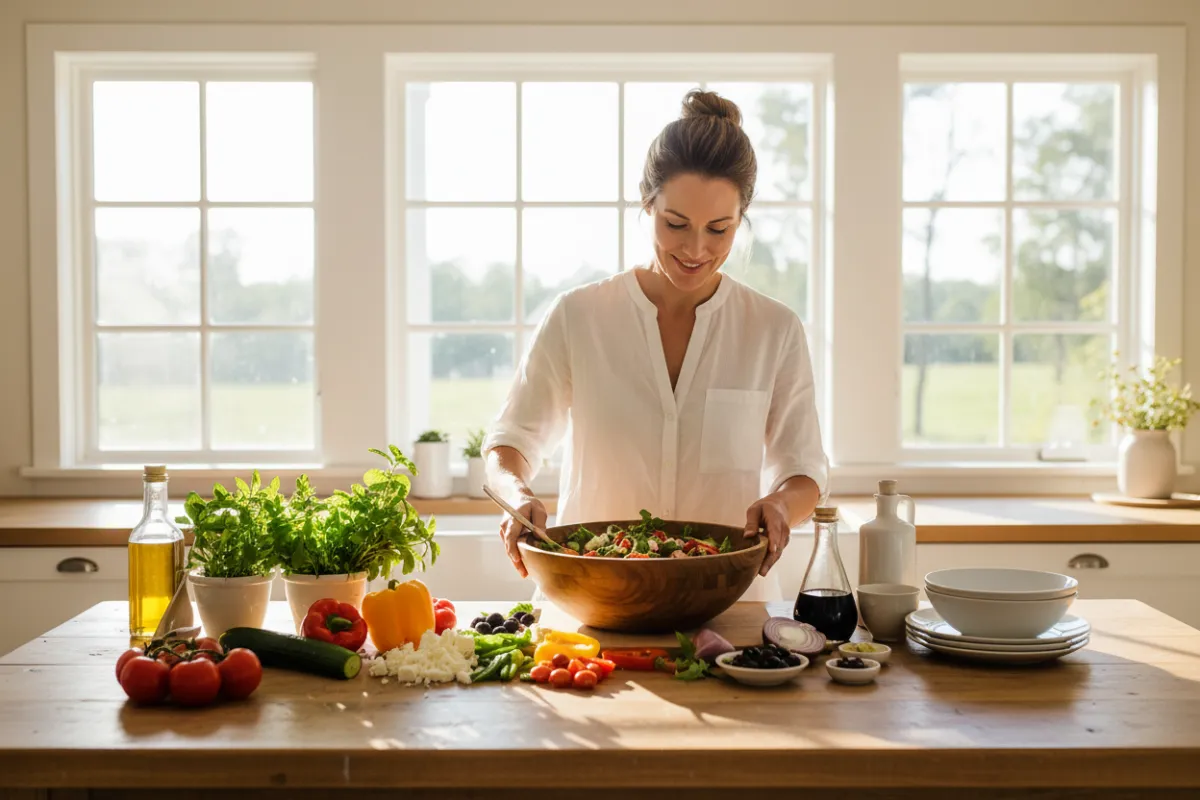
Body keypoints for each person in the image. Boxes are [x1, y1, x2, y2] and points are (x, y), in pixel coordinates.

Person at [484, 89, 827, 597]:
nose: (695, 249)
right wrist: (518, 494)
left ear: (742, 217)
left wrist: (780, 506)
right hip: (592, 603)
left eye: (719, 229)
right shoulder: (578, 316)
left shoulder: (774, 330)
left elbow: (803, 471)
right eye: (675, 224)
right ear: (647, 204)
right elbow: (510, 444)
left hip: (727, 607)